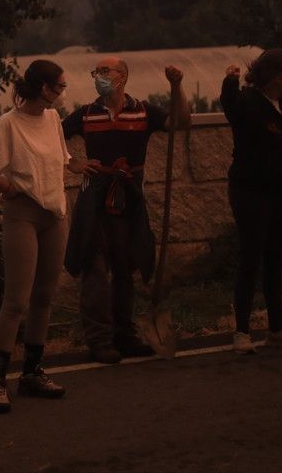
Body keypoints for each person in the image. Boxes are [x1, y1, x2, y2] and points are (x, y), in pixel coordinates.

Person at [0, 60, 90, 413]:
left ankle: (32, 372)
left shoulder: (53, 120)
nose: (62, 92)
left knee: (45, 295)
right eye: (59, 87)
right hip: (23, 213)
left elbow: (59, 156)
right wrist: (4, 185)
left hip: (55, 213)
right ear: (43, 88)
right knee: (16, 300)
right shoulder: (9, 124)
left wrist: (75, 164)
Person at [62, 56, 191, 363]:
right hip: (94, 199)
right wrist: (73, 163)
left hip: (129, 199)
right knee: (93, 269)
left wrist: (177, 86)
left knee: (125, 267)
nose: (98, 75)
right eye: (97, 71)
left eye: (105, 71)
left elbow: (181, 122)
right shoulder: (85, 114)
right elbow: (51, 138)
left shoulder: (143, 111)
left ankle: (125, 334)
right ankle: (99, 340)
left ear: (123, 76)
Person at [221, 49, 282, 354]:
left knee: (276, 257)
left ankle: (278, 327)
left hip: (278, 189)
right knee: (251, 256)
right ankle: (242, 331)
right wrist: (229, 82)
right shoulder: (248, 101)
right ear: (274, 73)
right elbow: (230, 109)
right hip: (250, 189)